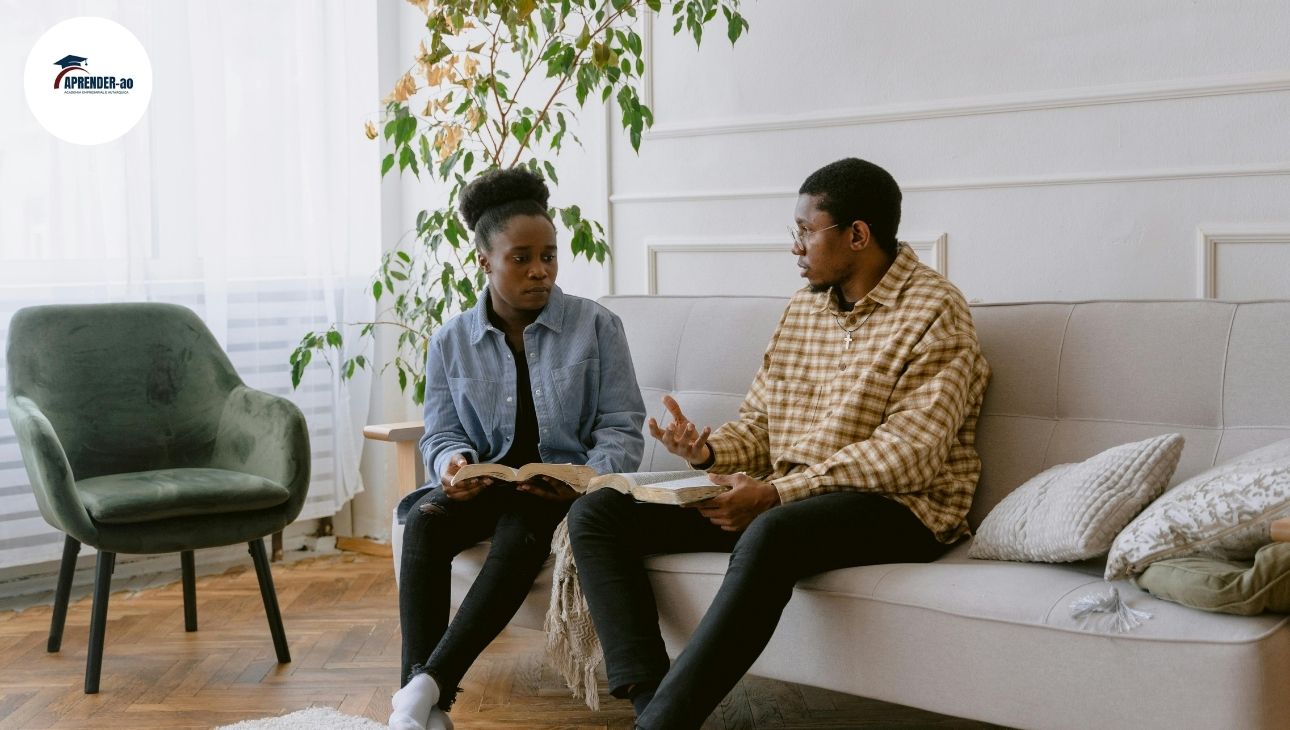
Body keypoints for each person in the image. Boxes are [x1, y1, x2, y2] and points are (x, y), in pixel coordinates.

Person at [566, 157, 992, 729]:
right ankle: (653, 707)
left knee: (773, 530)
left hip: (900, 509)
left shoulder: (937, 310)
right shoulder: (802, 310)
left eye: (804, 231)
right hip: (790, 497)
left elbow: (908, 456)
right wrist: (708, 453)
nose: (794, 247)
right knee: (598, 512)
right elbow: (763, 425)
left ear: (857, 235)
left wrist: (775, 494)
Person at [389, 167, 646, 730]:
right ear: (484, 260)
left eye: (549, 255)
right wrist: (451, 465)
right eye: (522, 257)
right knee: (426, 520)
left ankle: (426, 688)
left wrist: (583, 477)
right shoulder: (450, 340)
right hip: (488, 485)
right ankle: (420, 697)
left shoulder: (597, 327)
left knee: (524, 520)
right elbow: (440, 431)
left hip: (561, 490)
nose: (540, 271)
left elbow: (623, 428)